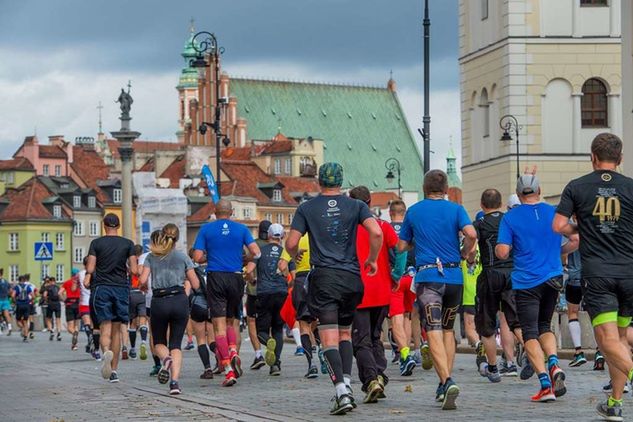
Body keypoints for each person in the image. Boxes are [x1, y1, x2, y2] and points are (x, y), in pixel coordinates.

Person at [286, 162, 383, 415]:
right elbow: (376, 232)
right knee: (345, 335)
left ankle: (341, 392)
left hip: (325, 279)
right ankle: (349, 384)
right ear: (341, 181)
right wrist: (372, 259)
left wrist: (294, 256)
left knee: (328, 338)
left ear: (319, 181)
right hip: (352, 278)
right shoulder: (357, 205)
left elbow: (291, 242)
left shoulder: (306, 208)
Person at [553, 133, 633, 421]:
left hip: (599, 273)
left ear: (593, 157)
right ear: (620, 159)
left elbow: (558, 225)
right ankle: (614, 402)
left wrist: (581, 228)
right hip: (629, 273)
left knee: (606, 340)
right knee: (620, 338)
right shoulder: (631, 187)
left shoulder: (577, 187)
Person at [398, 169, 477, 411]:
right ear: (445, 190)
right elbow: (472, 234)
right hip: (454, 276)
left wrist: (415, 241)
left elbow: (401, 246)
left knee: (432, 330)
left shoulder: (414, 211)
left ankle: (446, 380)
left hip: (429, 277)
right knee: (447, 329)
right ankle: (444, 384)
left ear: (424, 188)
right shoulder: (455, 209)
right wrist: (465, 251)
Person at [496, 172, 578, 403]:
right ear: (539, 191)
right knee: (545, 325)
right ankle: (554, 363)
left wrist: (500, 250)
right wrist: (556, 252)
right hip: (553, 278)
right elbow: (575, 240)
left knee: (529, 330)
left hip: (526, 281)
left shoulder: (510, 218)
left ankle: (545, 383)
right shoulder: (554, 212)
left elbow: (502, 251)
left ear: (519, 193)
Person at [192, 199, 260, 387]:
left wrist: (210, 255)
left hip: (215, 277)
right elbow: (256, 252)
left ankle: (228, 370)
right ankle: (233, 351)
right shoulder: (242, 229)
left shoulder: (206, 229)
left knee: (218, 326)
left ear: (215, 211)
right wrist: (244, 259)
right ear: (231, 212)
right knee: (231, 320)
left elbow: (197, 257)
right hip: (236, 277)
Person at [348, 186, 398, 403]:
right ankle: (378, 372)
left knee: (360, 340)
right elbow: (398, 251)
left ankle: (371, 380)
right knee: (376, 336)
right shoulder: (383, 226)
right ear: (369, 203)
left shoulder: (347, 229)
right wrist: (396, 275)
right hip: (382, 291)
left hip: (358, 291)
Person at [139, 224, 199, 395]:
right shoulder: (183, 257)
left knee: (158, 342)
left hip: (159, 301)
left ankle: (166, 360)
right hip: (180, 300)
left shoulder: (152, 256)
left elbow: (143, 280)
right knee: (176, 344)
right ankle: (174, 383)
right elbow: (195, 284)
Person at [472, 188, 523, 383]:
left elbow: (470, 239)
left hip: (490, 273)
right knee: (515, 320)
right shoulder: (509, 219)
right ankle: (528, 349)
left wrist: (468, 254)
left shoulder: (480, 223)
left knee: (486, 324)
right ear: (501, 204)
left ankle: (493, 367)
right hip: (513, 273)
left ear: (482, 205)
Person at [84, 213, 137, 383]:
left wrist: (87, 277)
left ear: (104, 225)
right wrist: (128, 270)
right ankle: (114, 371)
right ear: (118, 225)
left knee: (104, 326)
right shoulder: (128, 244)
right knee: (116, 330)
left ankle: (105, 350)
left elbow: (91, 267)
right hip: (121, 288)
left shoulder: (96, 243)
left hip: (102, 288)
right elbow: (134, 269)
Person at [245, 223, 290, 376]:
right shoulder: (286, 253)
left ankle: (268, 342)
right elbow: (292, 277)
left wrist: (251, 280)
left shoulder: (260, 252)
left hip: (264, 293)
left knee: (260, 331)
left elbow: (249, 270)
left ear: (268, 236)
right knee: (278, 329)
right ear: (282, 236)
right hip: (281, 293)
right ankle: (275, 364)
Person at [387, 200, 419, 376]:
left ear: (391, 213)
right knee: (407, 316)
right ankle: (409, 351)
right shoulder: (410, 231)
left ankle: (404, 354)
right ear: (404, 213)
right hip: (412, 277)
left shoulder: (387, 229)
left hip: (396, 279)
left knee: (396, 318)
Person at [290, 230, 321, 378]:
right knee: (322, 321)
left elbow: (283, 265)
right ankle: (322, 351)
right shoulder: (319, 234)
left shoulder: (296, 239)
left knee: (303, 324)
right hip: (320, 278)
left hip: (302, 279)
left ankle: (311, 364)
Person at [188, 247, 218, 379]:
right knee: (212, 339)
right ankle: (222, 358)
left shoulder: (191, 270)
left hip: (198, 305)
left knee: (200, 340)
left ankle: (207, 368)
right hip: (212, 306)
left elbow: (190, 289)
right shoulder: (213, 268)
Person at [245, 220, 271, 371]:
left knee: (252, 322)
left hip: (254, 290)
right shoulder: (275, 247)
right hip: (270, 290)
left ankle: (258, 354)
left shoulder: (253, 246)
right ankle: (271, 345)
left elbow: (247, 265)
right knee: (269, 322)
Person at [128, 244, 149, 360]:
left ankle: (132, 348)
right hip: (142, 293)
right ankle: (144, 342)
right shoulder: (144, 262)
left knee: (132, 322)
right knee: (142, 320)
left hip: (131, 293)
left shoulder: (129, 263)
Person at [78, 257, 99, 360]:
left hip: (83, 302)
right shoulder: (96, 272)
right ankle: (94, 344)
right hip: (94, 300)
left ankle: (89, 336)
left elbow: (74, 288)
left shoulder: (80, 274)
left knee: (86, 324)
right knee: (94, 325)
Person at [59, 269, 82, 351]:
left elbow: (59, 293)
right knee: (76, 325)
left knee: (70, 327)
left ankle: (74, 334)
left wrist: (64, 300)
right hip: (78, 304)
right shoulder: (80, 283)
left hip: (69, 304)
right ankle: (74, 345)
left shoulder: (67, 282)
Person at [11, 275, 33, 342]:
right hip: (27, 305)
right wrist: (30, 300)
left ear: (19, 280)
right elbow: (33, 295)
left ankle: (23, 328)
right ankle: (26, 337)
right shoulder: (28, 286)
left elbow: (12, 295)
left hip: (19, 305)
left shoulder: (17, 287)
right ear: (24, 280)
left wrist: (15, 301)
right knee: (25, 321)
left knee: (18, 321)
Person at [43, 277, 62, 341]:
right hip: (57, 304)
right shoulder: (58, 287)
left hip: (50, 304)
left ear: (50, 281)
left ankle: (51, 331)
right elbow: (60, 295)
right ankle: (59, 333)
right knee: (58, 319)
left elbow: (45, 295)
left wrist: (46, 301)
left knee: (48, 318)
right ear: (55, 281)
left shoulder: (47, 287)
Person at [0, 269, 12, 336]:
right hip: (6, 299)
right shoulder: (6, 281)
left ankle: (2, 325)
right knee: (6, 314)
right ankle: (10, 327)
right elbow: (10, 290)